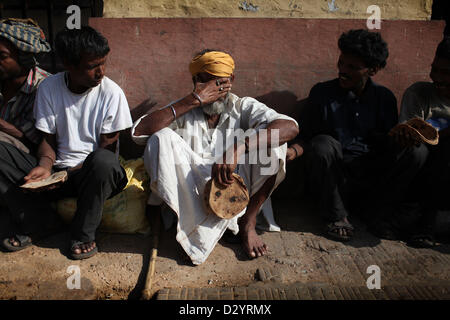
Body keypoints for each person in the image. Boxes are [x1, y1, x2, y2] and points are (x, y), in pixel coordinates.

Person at [132, 49, 299, 265]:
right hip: (192, 192)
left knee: (275, 144)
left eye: (221, 83)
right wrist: (194, 100)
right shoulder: (185, 106)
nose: (215, 91)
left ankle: (247, 223)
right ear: (195, 81)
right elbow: (138, 133)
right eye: (207, 83)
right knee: (159, 139)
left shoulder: (243, 106)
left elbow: (290, 128)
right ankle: (191, 233)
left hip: (236, 185)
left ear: (232, 79)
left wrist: (238, 149)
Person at [0, 26, 132, 260]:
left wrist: (67, 175)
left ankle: (82, 235)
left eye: (103, 63)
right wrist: (45, 166)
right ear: (68, 66)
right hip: (59, 173)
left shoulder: (112, 94)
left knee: (103, 162)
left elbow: (107, 151)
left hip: (92, 176)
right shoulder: (49, 88)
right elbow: (47, 141)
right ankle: (39, 223)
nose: (101, 72)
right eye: (92, 66)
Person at [288, 29, 427, 241]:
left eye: (352, 67)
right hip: (334, 178)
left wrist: (399, 139)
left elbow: (386, 145)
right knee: (323, 143)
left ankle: (379, 214)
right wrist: (293, 151)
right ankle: (336, 215)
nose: (342, 71)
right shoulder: (322, 93)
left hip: (371, 177)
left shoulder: (384, 98)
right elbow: (307, 136)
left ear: (373, 69)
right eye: (341, 63)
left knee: (417, 151)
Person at [396, 37, 450, 247]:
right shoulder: (419, 94)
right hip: (423, 174)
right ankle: (424, 224)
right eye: (434, 70)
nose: (437, 77)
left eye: (445, 73)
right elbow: (410, 134)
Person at [0, 18, 51, 154]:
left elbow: (37, 141)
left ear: (24, 57)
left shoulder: (44, 87)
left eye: (2, 56)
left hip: (32, 158)